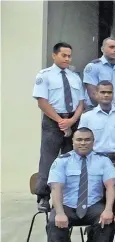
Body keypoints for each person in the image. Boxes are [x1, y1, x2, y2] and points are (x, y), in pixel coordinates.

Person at [47, 128, 115, 242]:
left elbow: (111, 186)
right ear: (72, 142)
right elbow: (56, 188)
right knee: (54, 222)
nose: (83, 143)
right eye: (79, 140)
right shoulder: (62, 161)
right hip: (67, 205)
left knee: (107, 221)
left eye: (87, 140)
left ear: (93, 142)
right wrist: (59, 213)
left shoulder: (103, 160)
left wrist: (109, 209)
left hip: (93, 205)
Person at [34, 42, 86, 211]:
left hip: (72, 120)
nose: (67, 59)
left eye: (69, 56)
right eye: (63, 55)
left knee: (71, 159)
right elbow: (42, 102)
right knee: (48, 159)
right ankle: (43, 196)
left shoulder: (74, 76)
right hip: (52, 121)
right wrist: (59, 120)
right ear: (54, 55)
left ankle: (68, 196)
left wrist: (71, 121)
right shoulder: (45, 75)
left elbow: (81, 103)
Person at [78, 81, 115, 169]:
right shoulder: (87, 116)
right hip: (95, 158)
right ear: (96, 94)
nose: (106, 95)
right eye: (103, 92)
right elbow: (81, 142)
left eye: (109, 92)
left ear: (113, 94)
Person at [83, 37, 115, 108]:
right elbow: (92, 94)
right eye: (111, 47)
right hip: (95, 109)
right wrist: (108, 109)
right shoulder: (93, 66)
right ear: (102, 49)